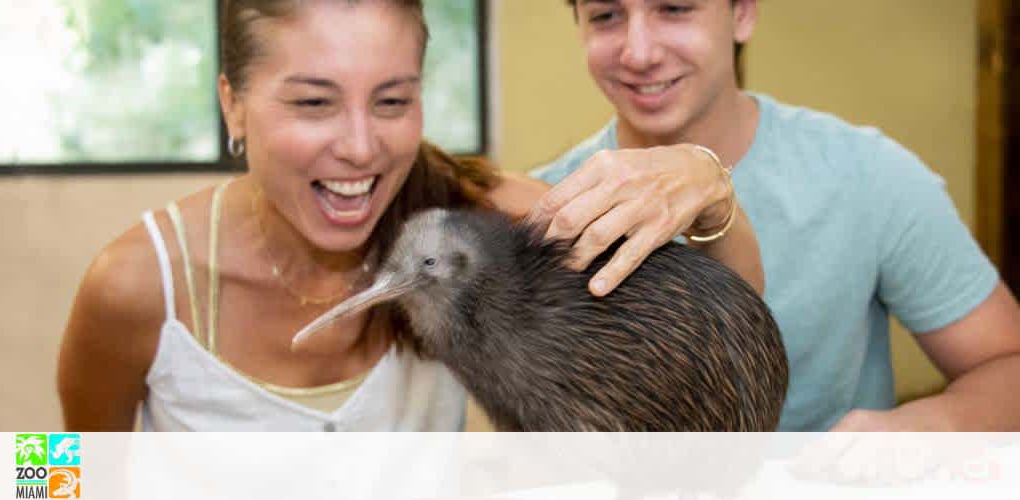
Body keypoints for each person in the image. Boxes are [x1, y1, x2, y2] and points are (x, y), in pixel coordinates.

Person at [56, 0, 763, 431]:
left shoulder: (471, 226)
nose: (362, 147)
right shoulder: (138, 286)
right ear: (232, 103)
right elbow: (51, 463)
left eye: (392, 101)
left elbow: (734, 323)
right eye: (313, 102)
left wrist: (711, 189)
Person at [534, 0, 1020, 431]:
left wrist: (930, 425)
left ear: (742, 13)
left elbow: (1007, 364)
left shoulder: (870, 174)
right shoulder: (543, 208)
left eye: (676, 9)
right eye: (605, 16)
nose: (638, 53)